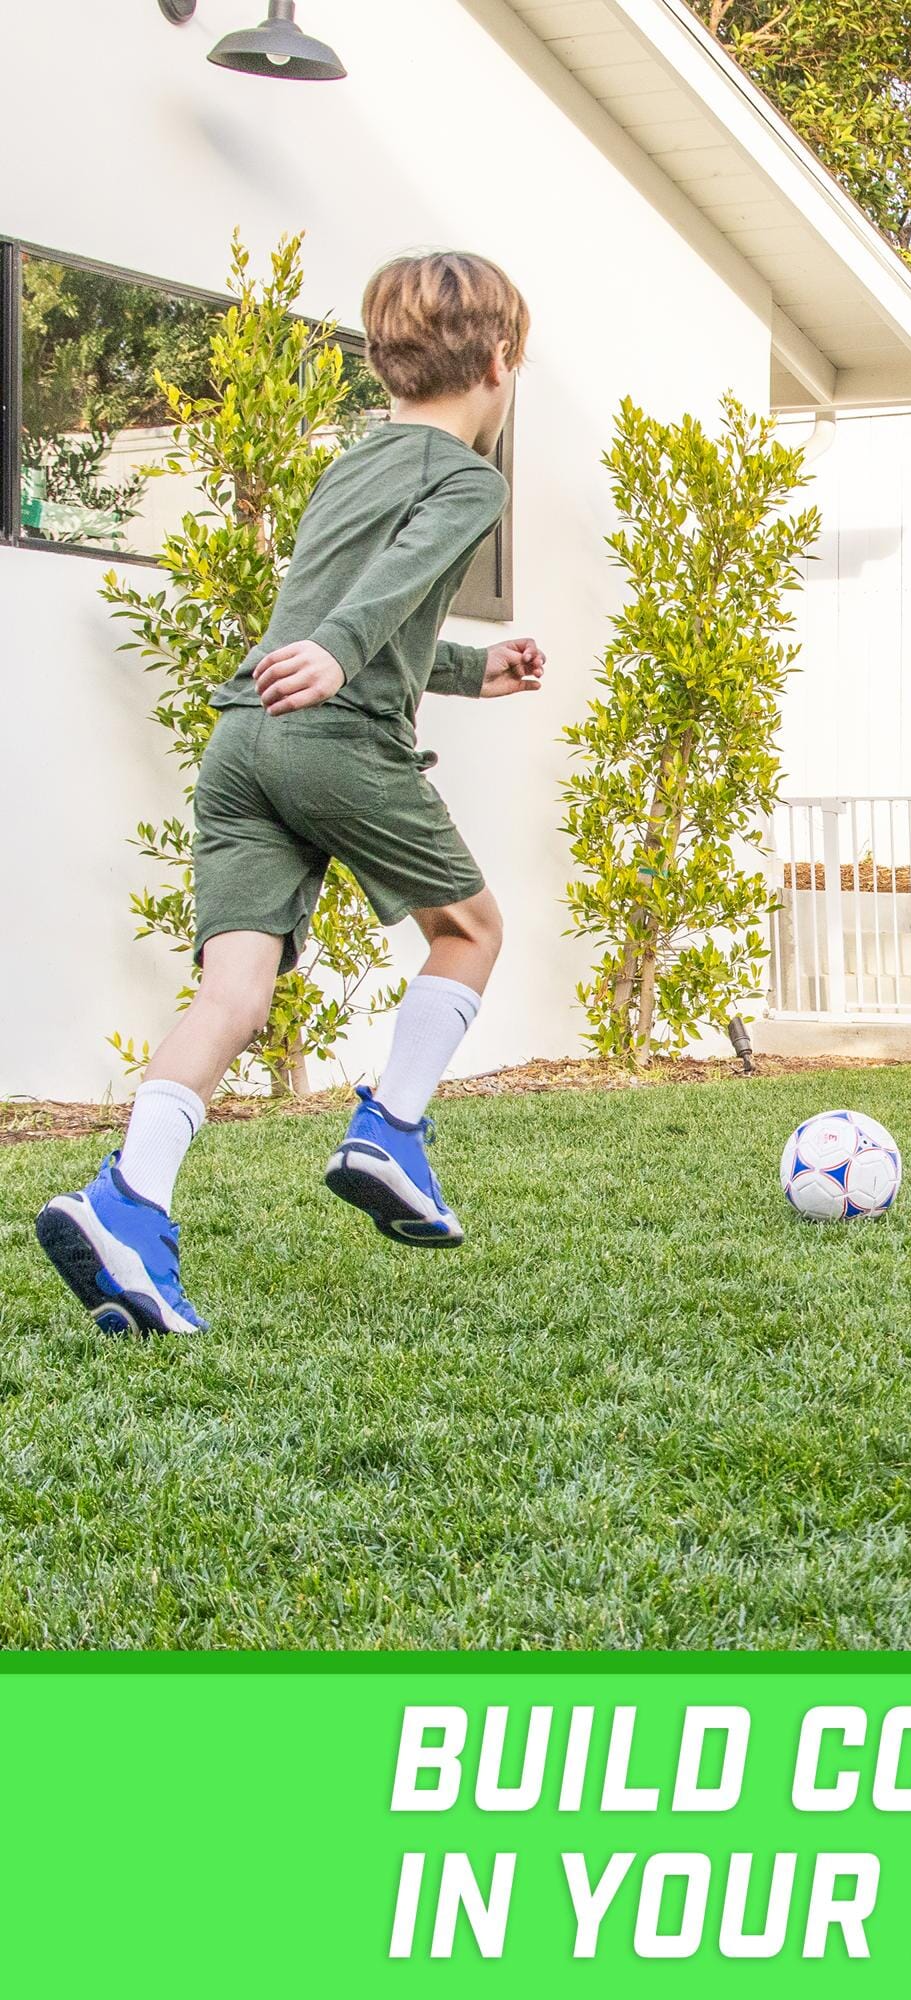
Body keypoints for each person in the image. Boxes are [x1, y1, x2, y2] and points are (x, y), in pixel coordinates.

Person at [36, 251, 545, 1334]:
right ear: (501, 360)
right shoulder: (471, 479)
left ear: (386, 365)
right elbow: (385, 592)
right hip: (332, 739)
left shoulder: (353, 463)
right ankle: (390, 1130)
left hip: (243, 743)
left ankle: (126, 1202)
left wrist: (467, 668)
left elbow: (352, 608)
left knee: (234, 997)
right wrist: (342, 654)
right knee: (471, 930)